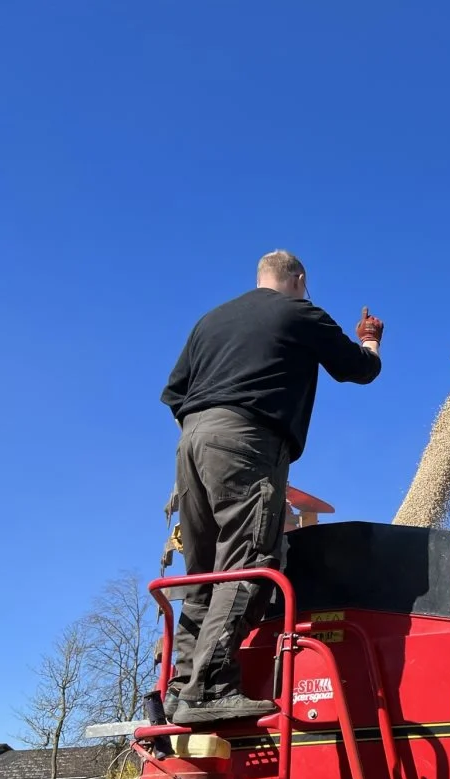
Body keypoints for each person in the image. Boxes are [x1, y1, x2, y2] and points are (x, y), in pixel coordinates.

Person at [159, 250, 383, 725]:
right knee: (247, 560)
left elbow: (175, 392)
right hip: (247, 440)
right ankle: (212, 687)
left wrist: (205, 428)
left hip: (190, 443)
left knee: (203, 570)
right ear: (298, 279)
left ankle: (181, 689)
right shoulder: (299, 311)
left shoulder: (210, 320)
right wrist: (370, 341)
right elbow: (357, 369)